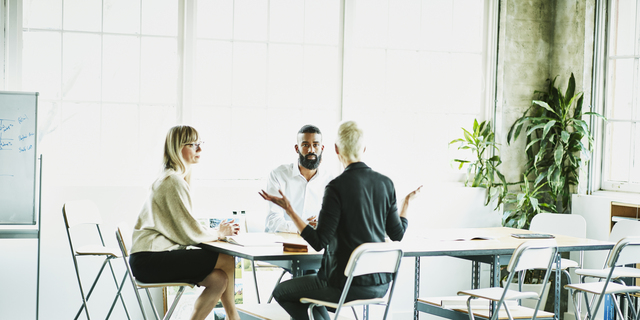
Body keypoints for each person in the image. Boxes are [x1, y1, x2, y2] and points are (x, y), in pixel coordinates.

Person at [260, 120, 422, 320]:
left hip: (342, 284)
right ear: (364, 148)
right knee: (310, 294)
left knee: (282, 292)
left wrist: (290, 211)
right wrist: (406, 204)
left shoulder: (336, 186)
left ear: (335, 149)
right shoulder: (386, 183)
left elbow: (319, 242)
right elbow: (397, 234)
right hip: (380, 286)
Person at [130, 125, 240, 320]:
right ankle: (234, 317)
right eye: (193, 144)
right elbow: (188, 232)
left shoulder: (173, 178)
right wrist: (219, 233)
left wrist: (214, 232)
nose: (199, 149)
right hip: (149, 260)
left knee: (218, 279)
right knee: (227, 258)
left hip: (148, 259)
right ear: (177, 148)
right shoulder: (172, 181)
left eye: (200, 144)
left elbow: (185, 227)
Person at [264, 124, 335, 233]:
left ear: (322, 148)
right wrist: (304, 226)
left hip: (316, 245)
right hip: (281, 243)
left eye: (315, 145)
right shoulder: (278, 175)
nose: (311, 150)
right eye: (306, 145)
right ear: (297, 148)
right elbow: (273, 221)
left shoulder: (331, 181)